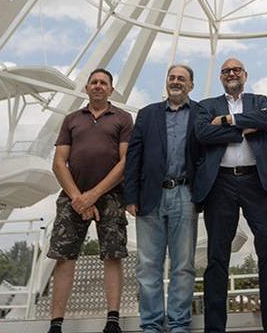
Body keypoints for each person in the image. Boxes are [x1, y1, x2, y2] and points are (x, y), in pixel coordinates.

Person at [194, 58, 267, 333]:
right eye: (226, 71)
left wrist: (227, 121)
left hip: (256, 181)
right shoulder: (207, 105)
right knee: (217, 255)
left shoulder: (259, 100)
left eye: (236, 70)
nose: (231, 74)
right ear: (221, 77)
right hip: (220, 183)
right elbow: (202, 133)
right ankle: (214, 328)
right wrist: (241, 130)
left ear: (245, 74)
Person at [46, 69, 133, 333]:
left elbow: (125, 162)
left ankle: (113, 319)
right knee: (64, 256)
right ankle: (56, 324)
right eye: (93, 82)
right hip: (72, 196)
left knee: (112, 255)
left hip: (111, 196)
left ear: (111, 89)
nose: (98, 86)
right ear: (86, 88)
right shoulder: (71, 119)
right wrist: (78, 198)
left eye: (103, 83)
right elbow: (59, 163)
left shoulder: (123, 118)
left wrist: (93, 195)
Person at [124, 64, 202, 333]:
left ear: (191, 85)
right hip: (150, 196)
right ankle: (151, 324)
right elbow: (133, 157)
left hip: (185, 194)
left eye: (182, 78)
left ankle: (179, 323)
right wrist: (130, 196)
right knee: (148, 265)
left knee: (184, 265)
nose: (176, 82)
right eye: (172, 77)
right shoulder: (147, 114)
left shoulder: (200, 113)